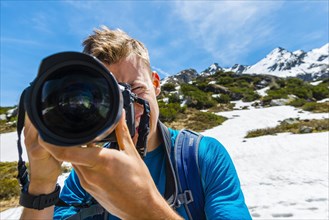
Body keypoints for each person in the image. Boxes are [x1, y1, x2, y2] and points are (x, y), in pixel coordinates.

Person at [20, 26, 251, 220]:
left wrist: (145, 208)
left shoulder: (202, 157)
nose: (127, 109)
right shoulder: (88, 175)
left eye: (136, 90)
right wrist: (41, 184)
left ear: (156, 84)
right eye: (109, 97)